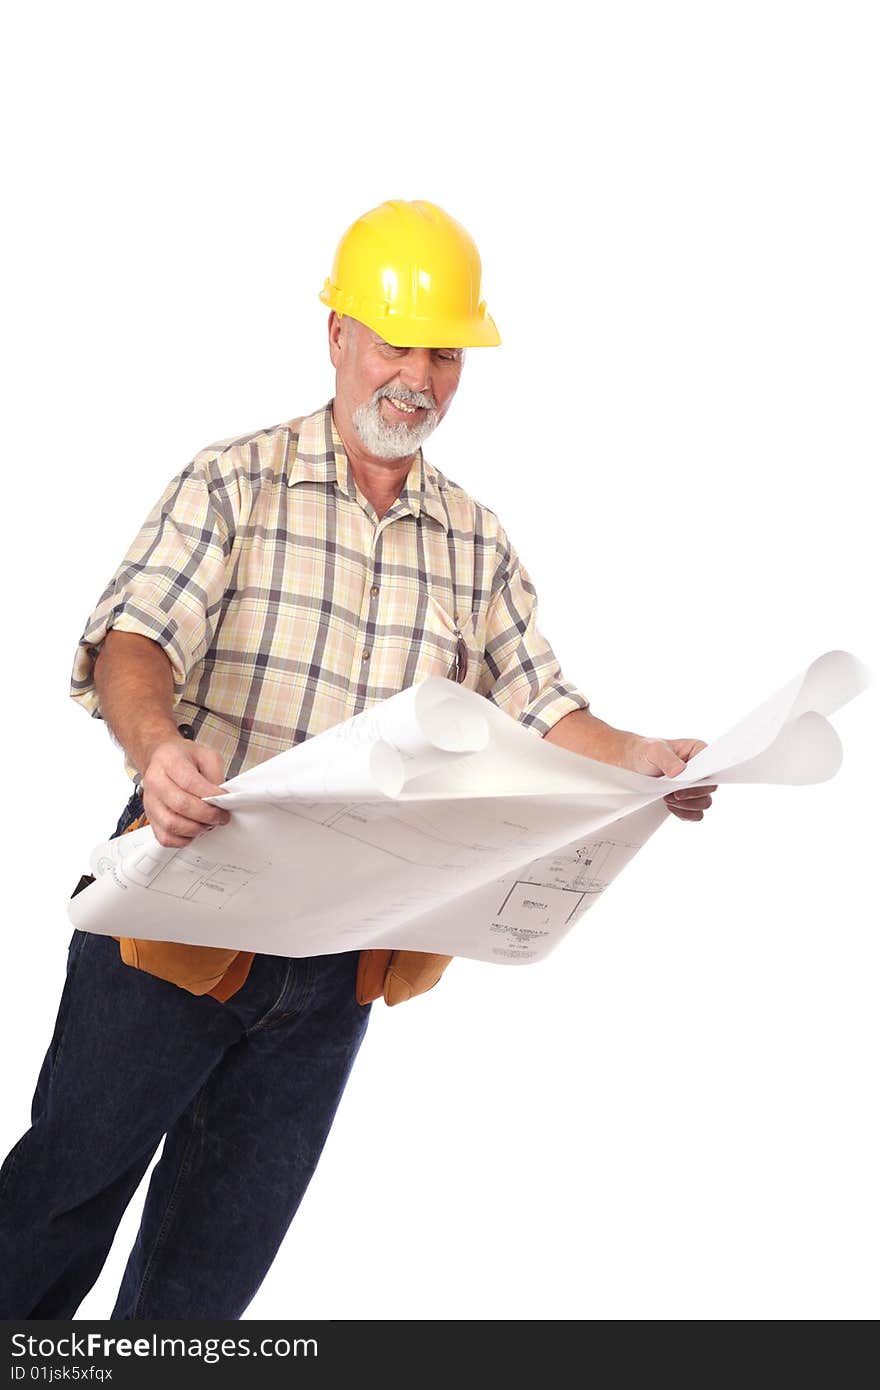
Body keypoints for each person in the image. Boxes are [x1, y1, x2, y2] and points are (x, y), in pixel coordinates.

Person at [0, 199, 716, 1320]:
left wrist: (644, 759)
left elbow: (543, 702)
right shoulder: (235, 480)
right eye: (395, 341)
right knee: (52, 1210)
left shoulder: (474, 539)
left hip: (336, 957)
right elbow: (134, 637)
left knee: (205, 1279)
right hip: (179, 919)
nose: (417, 376)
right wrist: (157, 748)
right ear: (336, 333)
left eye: (443, 351)